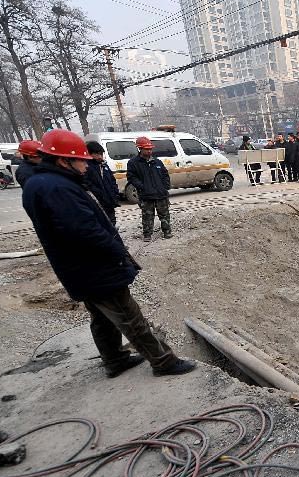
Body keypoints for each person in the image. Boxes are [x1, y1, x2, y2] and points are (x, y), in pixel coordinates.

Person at [22, 129, 195, 378]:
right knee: (130, 316)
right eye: (82, 160)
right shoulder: (56, 188)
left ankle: (115, 359)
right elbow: (85, 231)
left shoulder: (44, 184)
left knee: (102, 318)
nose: (86, 166)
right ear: (63, 160)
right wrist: (117, 254)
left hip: (79, 270)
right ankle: (163, 361)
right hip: (95, 268)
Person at [127, 136, 173, 240]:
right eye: (146, 149)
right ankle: (147, 235)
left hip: (161, 195)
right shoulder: (133, 163)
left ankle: (167, 232)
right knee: (147, 217)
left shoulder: (157, 162)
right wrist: (142, 187)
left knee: (164, 215)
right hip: (146, 196)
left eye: (150, 149)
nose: (149, 151)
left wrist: (165, 186)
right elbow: (131, 177)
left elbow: (165, 174)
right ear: (140, 149)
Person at [85, 141, 121, 225]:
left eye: (101, 154)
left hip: (109, 201)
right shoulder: (87, 167)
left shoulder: (104, 165)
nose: (100, 156)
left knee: (112, 221)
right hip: (98, 202)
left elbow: (112, 180)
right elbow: (87, 183)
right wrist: (99, 194)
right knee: (102, 223)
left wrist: (115, 192)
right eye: (97, 154)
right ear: (90, 154)